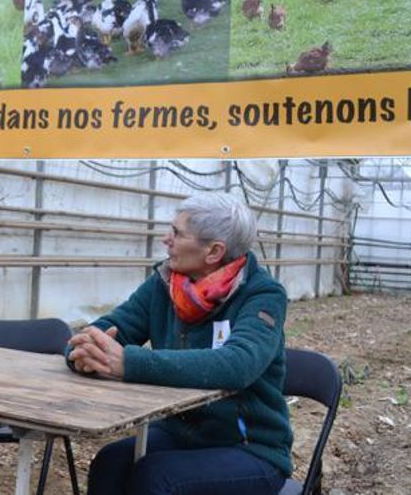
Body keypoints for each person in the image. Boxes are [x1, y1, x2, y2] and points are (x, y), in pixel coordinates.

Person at [67, 192, 291, 495]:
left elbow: (239, 363)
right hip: (182, 433)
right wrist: (83, 349)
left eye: (176, 233)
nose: (165, 239)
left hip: (249, 447)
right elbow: (114, 326)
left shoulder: (262, 294)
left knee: (156, 478)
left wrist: (129, 363)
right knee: (110, 462)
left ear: (213, 251)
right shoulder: (167, 282)